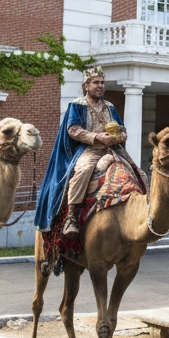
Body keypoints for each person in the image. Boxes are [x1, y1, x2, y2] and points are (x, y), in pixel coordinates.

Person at [34, 65, 146, 237]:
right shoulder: (78, 105)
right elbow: (73, 129)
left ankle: (144, 212)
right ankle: (72, 216)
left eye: (102, 82)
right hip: (90, 150)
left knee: (140, 175)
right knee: (84, 170)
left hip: (113, 151)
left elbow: (122, 130)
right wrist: (97, 137)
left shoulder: (110, 107)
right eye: (96, 82)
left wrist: (118, 137)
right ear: (86, 85)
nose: (100, 85)